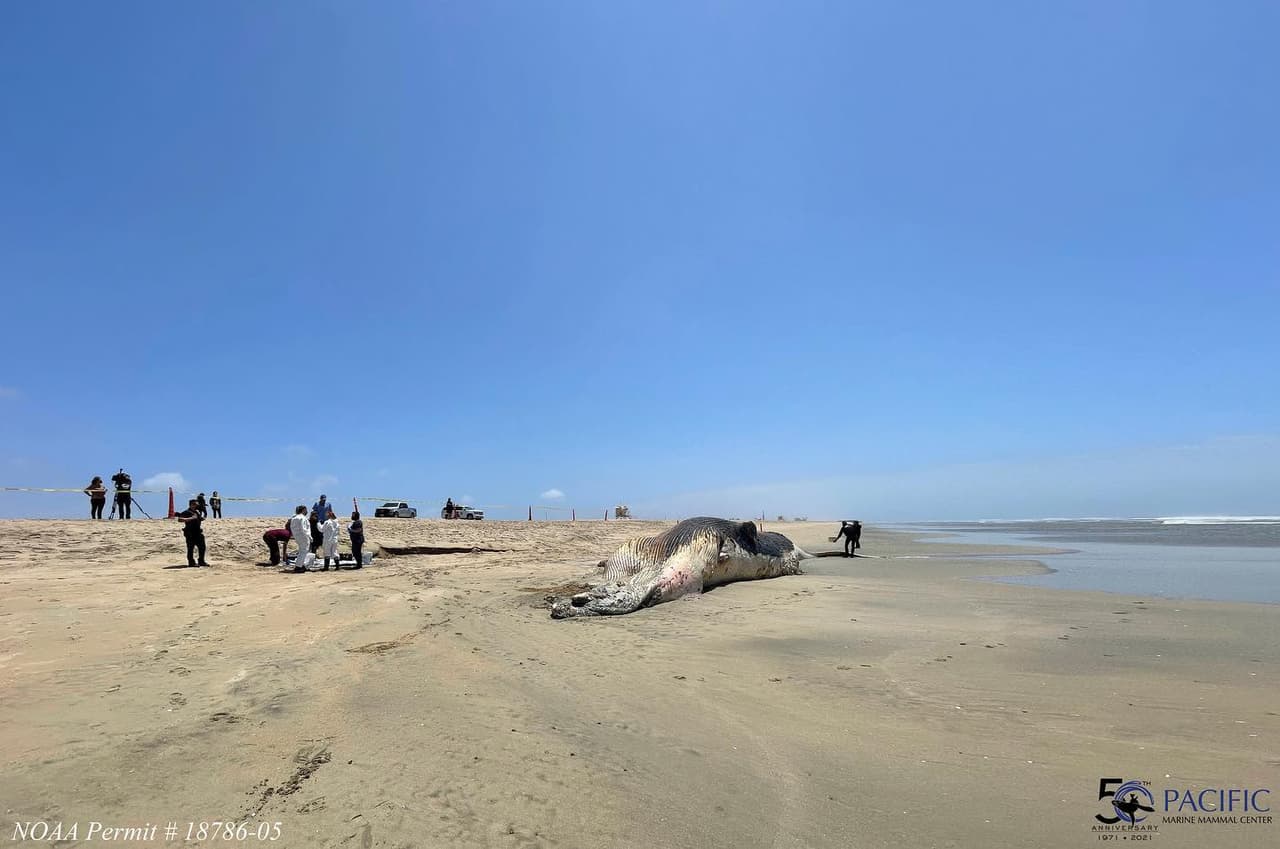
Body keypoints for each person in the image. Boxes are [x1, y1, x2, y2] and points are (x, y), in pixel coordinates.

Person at [176, 498, 209, 567]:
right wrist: (191, 518)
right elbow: (180, 519)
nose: (197, 506)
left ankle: (201, 561)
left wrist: (201, 518)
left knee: (202, 547)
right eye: (196, 504)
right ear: (192, 505)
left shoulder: (196, 512)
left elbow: (198, 518)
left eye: (197, 504)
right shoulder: (186, 512)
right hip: (190, 533)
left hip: (198, 532)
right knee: (190, 548)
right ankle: (191, 562)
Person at [286, 506, 310, 573]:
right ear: (303, 510)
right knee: (303, 551)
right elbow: (304, 528)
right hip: (303, 536)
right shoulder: (302, 518)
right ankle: (298, 566)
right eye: (306, 510)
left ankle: (300, 565)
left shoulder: (294, 518)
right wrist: (309, 537)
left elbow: (292, 527)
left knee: (301, 551)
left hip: (297, 536)